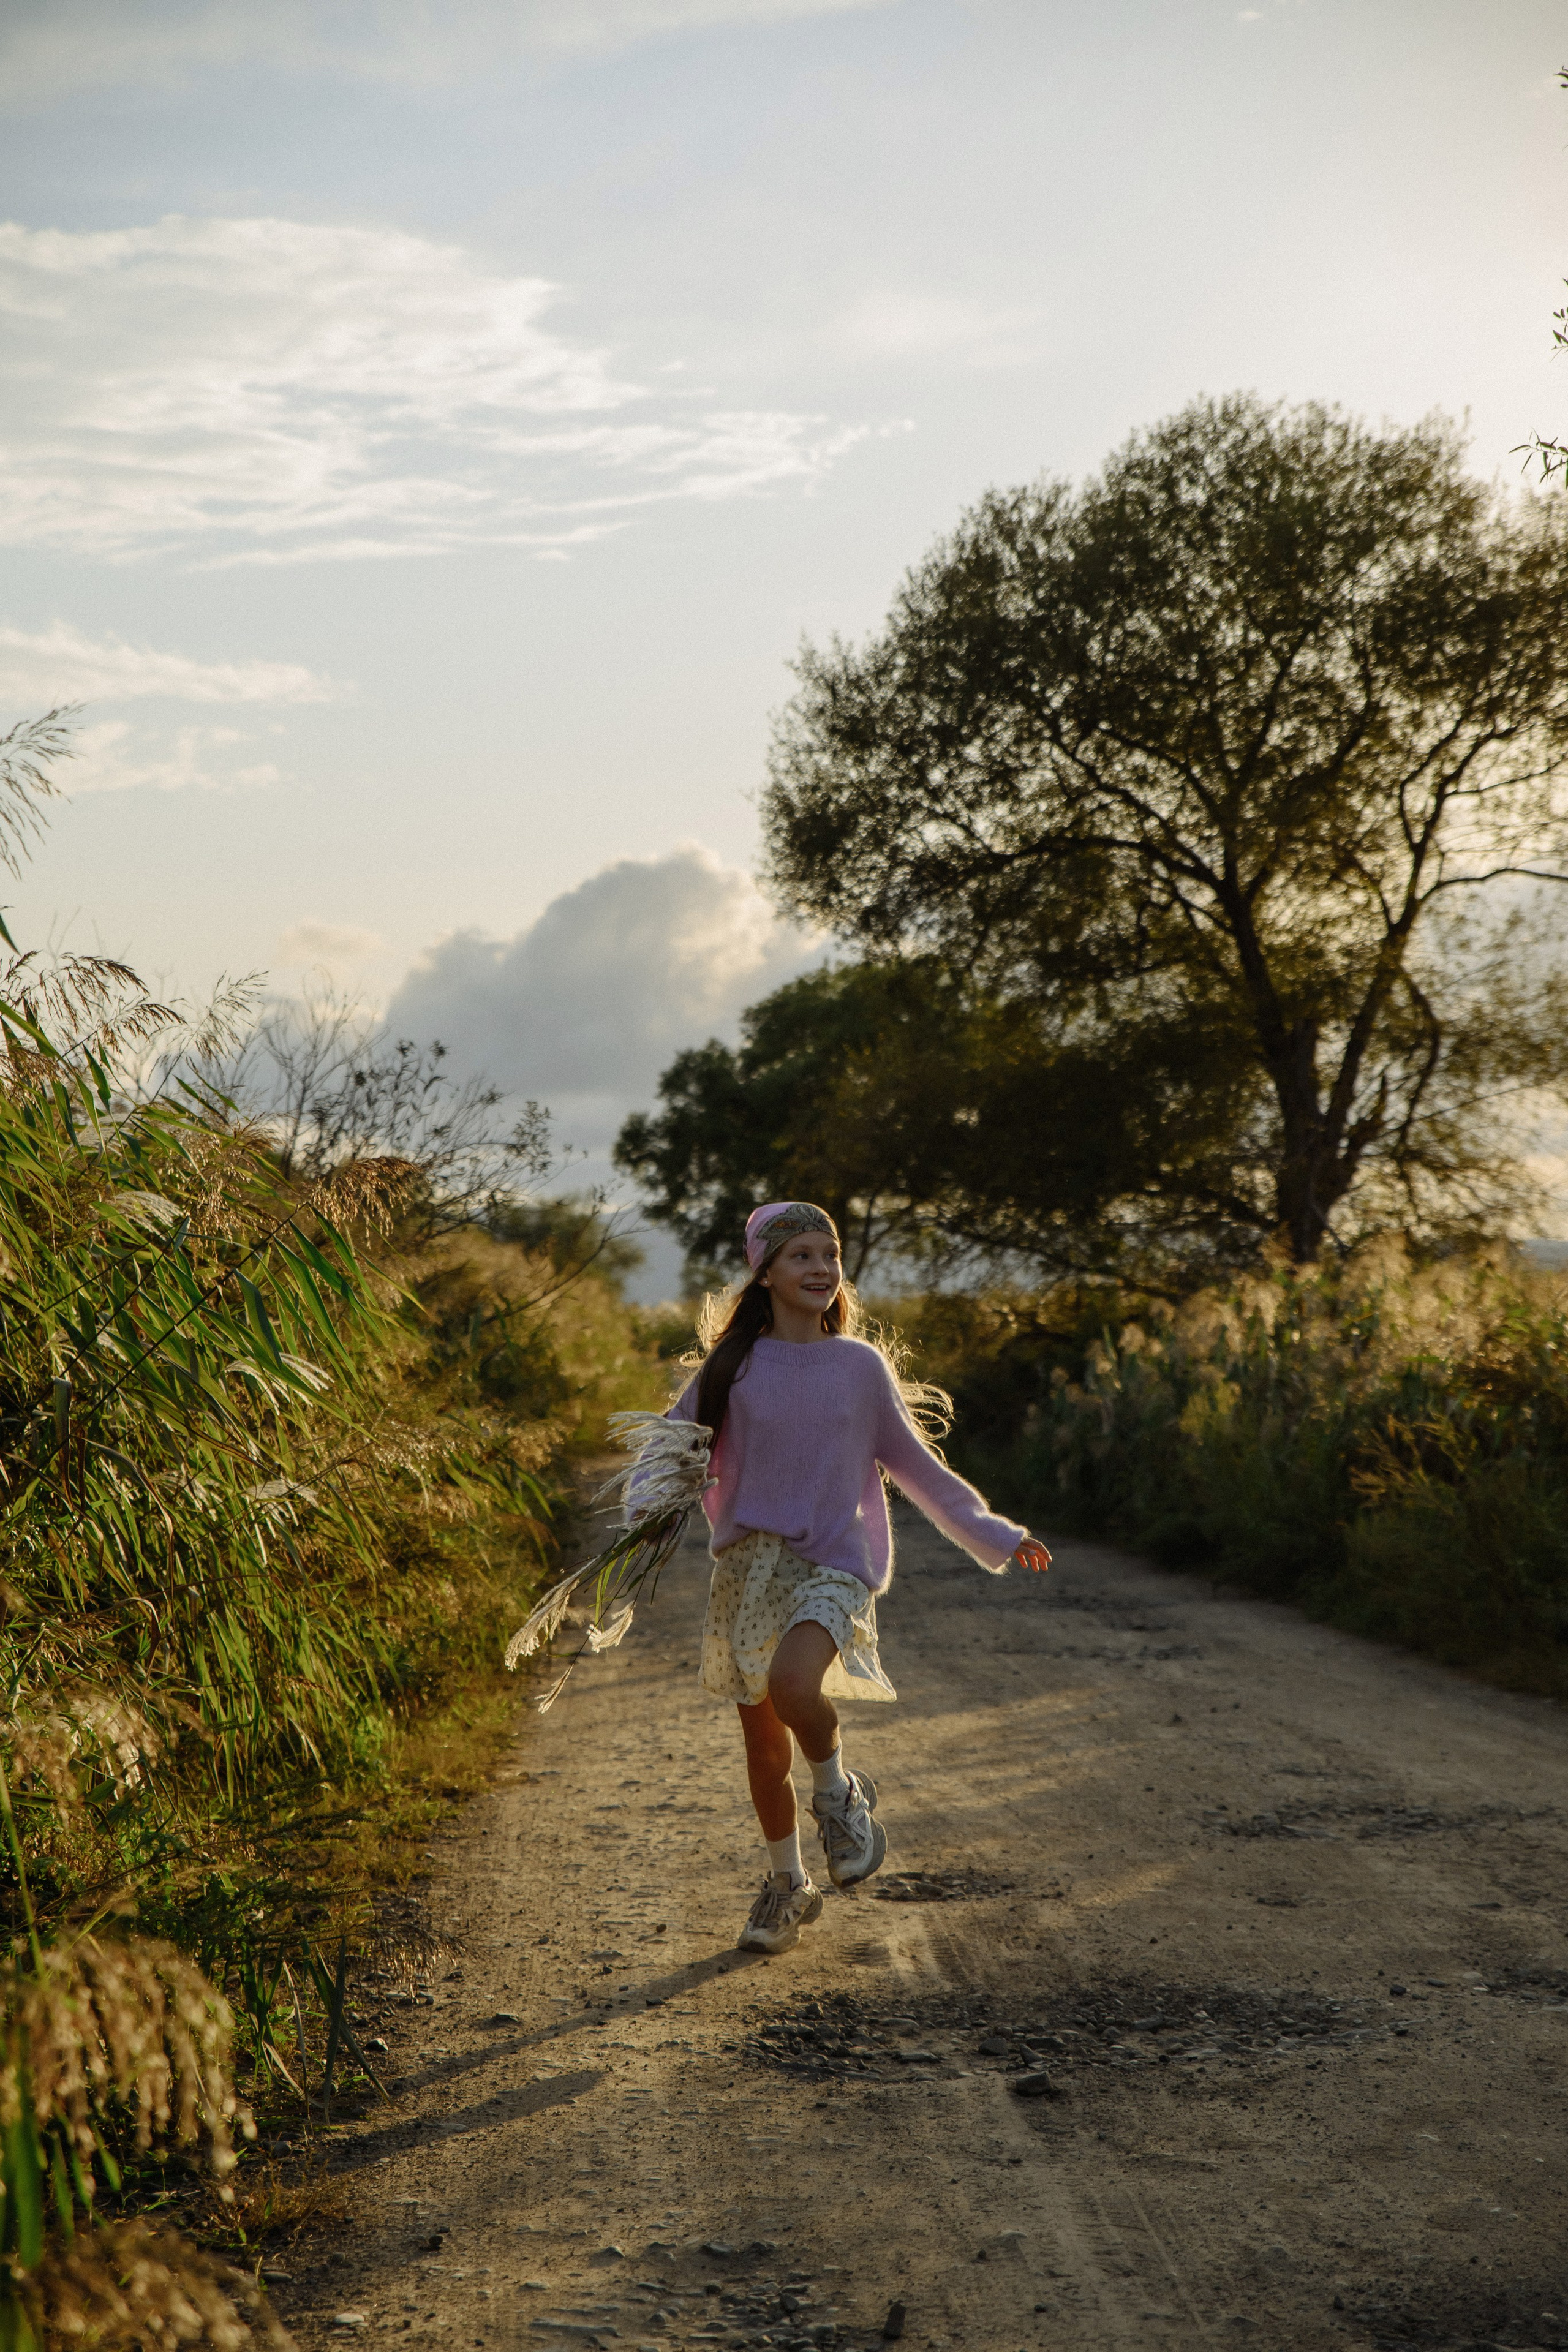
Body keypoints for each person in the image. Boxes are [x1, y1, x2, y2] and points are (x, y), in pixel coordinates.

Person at [666, 1200, 1052, 1955]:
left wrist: (998, 1535)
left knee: (795, 1686)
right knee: (764, 1750)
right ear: (766, 1272)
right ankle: (787, 1887)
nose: (820, 1269)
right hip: (748, 1570)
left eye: (828, 1254)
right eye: (801, 1256)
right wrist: (639, 1514)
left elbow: (917, 1469)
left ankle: (840, 1797)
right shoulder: (731, 1367)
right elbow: (672, 1452)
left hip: (834, 1564)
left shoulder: (858, 1367)